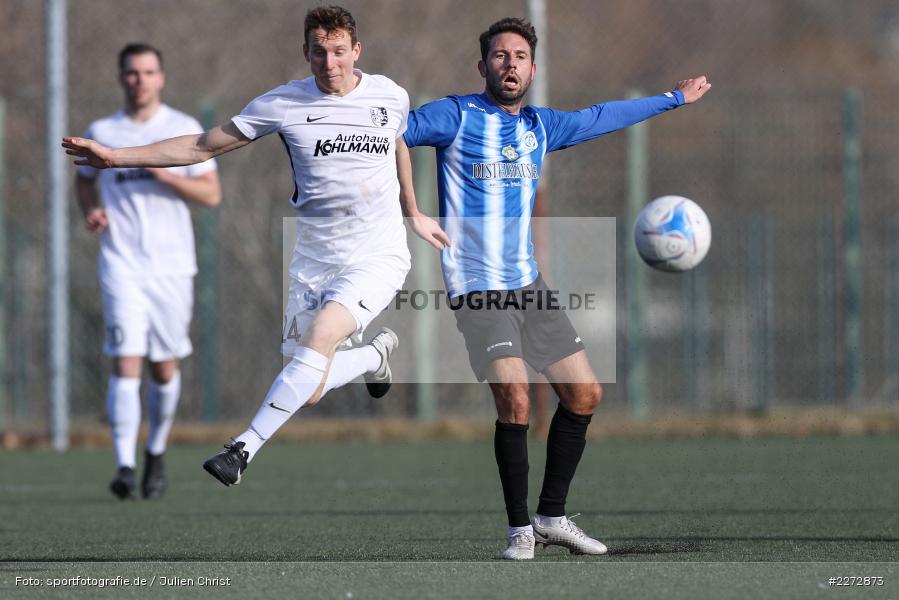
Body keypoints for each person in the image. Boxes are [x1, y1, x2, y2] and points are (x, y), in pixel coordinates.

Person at [65, 6, 442, 488]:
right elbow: (202, 146)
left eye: (340, 52)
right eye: (320, 52)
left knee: (322, 336)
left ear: (357, 51)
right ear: (305, 52)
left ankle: (242, 448)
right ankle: (373, 356)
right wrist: (115, 157)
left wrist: (412, 210)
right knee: (307, 386)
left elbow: (397, 142)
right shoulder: (284, 103)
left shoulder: (390, 95)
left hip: (377, 253)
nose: (330, 63)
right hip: (313, 258)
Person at [402, 17, 710, 559]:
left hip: (528, 285)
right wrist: (404, 204)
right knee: (516, 400)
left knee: (585, 394)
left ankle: (551, 517)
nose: (510, 64)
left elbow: (602, 117)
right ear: (483, 67)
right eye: (499, 56)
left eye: (519, 56)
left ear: (533, 69)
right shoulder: (453, 115)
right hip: (477, 289)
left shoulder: (541, 127)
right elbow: (390, 135)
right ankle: (519, 530)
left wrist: (671, 100)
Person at [75, 43, 222, 500]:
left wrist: (164, 171)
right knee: (125, 361)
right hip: (121, 263)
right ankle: (123, 463)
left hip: (172, 267)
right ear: (121, 78)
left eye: (148, 72)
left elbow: (211, 195)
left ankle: (155, 452)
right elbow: (84, 181)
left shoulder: (182, 129)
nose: (140, 80)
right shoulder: (104, 130)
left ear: (162, 77)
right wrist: (92, 211)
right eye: (132, 73)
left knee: (163, 367)